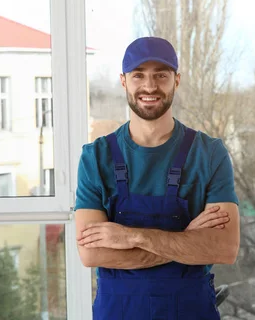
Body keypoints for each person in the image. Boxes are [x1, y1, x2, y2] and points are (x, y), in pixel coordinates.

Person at [75, 36, 240, 319]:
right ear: (124, 81)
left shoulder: (210, 154)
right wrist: (187, 241)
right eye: (139, 75)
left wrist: (131, 236)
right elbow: (92, 255)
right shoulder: (96, 158)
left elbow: (224, 249)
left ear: (176, 80)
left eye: (160, 75)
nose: (149, 86)